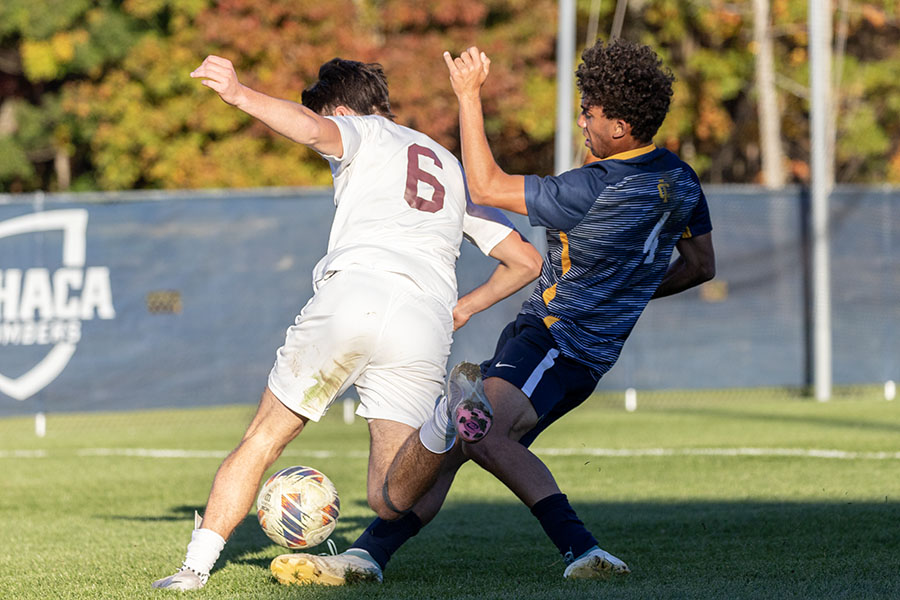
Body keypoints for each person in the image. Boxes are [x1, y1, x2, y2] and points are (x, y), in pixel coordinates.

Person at [276, 38, 715, 584]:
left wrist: (468, 95)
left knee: (475, 430)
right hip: (584, 355)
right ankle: (367, 557)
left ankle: (581, 549)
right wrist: (630, 291)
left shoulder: (593, 187)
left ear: (620, 127)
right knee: (461, 441)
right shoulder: (679, 178)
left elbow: (483, 184)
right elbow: (700, 266)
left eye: (590, 113)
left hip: (554, 339)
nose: (581, 120)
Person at [151, 54, 542, 590]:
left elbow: (310, 127)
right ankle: (444, 422)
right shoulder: (449, 167)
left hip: (354, 296)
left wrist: (241, 94)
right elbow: (526, 261)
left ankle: (193, 569)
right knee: (390, 498)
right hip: (424, 320)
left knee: (263, 438)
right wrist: (466, 308)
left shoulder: (362, 131)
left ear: (342, 110)